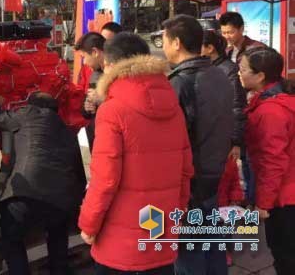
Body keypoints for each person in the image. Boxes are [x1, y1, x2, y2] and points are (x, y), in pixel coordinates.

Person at [78, 33, 193, 275]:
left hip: (120, 241)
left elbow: (105, 179)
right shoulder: (173, 106)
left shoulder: (112, 110)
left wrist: (88, 224)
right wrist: (178, 214)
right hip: (160, 230)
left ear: (109, 65)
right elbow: (185, 170)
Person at [163, 15, 234, 275]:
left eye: (164, 41)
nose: (163, 47)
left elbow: (174, 141)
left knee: (189, 253)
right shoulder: (219, 74)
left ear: (177, 43)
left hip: (191, 182)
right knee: (212, 247)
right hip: (213, 173)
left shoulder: (180, 82)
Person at [0, 92, 86, 275]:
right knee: (58, 236)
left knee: (11, 238)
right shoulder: (69, 132)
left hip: (26, 192)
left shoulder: (27, 114)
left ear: (32, 105)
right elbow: (79, 173)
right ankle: (59, 270)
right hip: (61, 198)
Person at [239, 47, 295, 275]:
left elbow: (273, 162)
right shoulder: (281, 100)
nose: (239, 73)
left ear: (260, 76)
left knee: (285, 254)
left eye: (243, 69)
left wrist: (263, 204)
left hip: (285, 196)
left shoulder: (271, 112)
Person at [202, 30, 247, 158]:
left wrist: (235, 141)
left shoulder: (228, 70)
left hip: (224, 137)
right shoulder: (206, 68)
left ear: (210, 48)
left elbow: (237, 106)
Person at [74, 32, 106, 151]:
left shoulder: (120, 73)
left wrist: (103, 100)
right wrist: (87, 107)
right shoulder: (95, 74)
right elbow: (87, 103)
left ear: (95, 52)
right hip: (96, 133)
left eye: (84, 57)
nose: (84, 62)